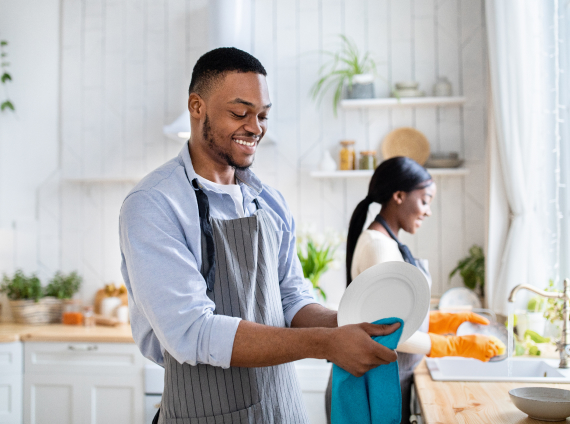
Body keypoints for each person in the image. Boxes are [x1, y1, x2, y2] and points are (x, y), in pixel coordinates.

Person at [119, 47, 401, 424]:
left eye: (263, 115)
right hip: (203, 414)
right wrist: (325, 343)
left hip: (282, 410)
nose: (255, 127)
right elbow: (192, 330)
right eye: (240, 113)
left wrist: (347, 324)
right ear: (196, 106)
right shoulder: (154, 205)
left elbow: (291, 296)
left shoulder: (268, 201)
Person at [325, 156, 503, 424]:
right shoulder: (378, 246)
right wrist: (453, 345)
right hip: (371, 385)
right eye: (424, 200)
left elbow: (395, 315)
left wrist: (441, 320)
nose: (428, 211)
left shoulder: (386, 243)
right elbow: (389, 330)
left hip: (386, 377)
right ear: (398, 195)